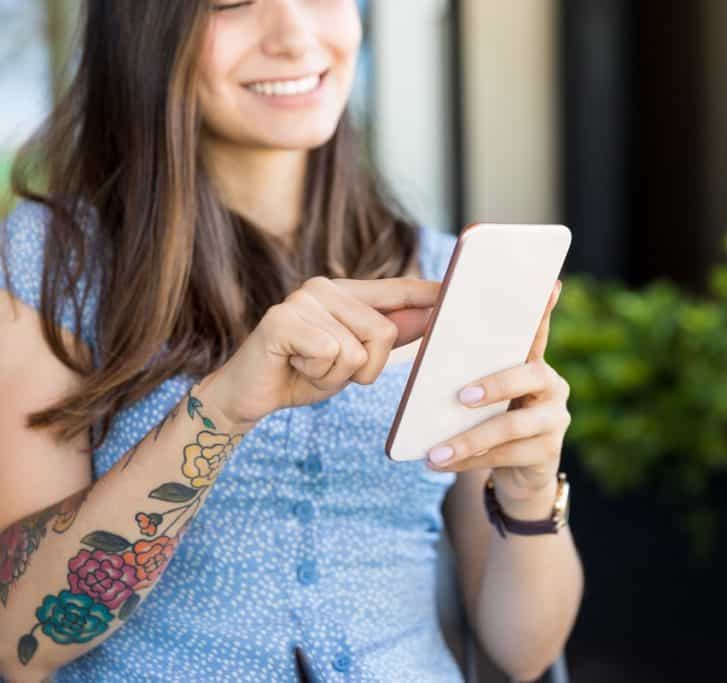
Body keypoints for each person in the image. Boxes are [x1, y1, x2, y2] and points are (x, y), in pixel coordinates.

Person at [0, 1, 583, 681]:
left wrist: (531, 488)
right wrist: (221, 412)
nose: (296, 36)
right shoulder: (52, 265)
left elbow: (523, 648)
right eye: (232, 3)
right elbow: (19, 637)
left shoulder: (441, 271)